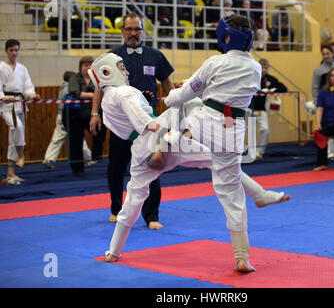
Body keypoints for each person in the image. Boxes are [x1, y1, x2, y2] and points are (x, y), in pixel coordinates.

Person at [87, 52, 290, 271]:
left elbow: (130, 124)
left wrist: (147, 104)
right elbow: (146, 123)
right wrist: (164, 141)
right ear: (108, 73)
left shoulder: (107, 103)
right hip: (157, 139)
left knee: (135, 194)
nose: (126, 72)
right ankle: (258, 196)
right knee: (193, 112)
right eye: (121, 68)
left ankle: (114, 250)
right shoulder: (124, 93)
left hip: (138, 150)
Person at [164, 15, 291, 272]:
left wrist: (169, 97)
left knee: (181, 108)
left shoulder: (215, 62)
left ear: (225, 37)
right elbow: (222, 84)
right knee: (230, 189)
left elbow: (190, 91)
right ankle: (242, 255)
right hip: (233, 132)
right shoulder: (256, 67)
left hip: (204, 123)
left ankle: (165, 143)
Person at [90, 13, 174, 229]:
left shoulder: (155, 55)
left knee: (152, 167)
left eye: (137, 29)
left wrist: (176, 107)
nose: (133, 33)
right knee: (116, 166)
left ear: (142, 31)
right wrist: (95, 113)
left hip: (148, 120)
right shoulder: (112, 57)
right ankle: (116, 209)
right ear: (122, 31)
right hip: (120, 123)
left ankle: (151, 216)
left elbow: (167, 84)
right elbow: (99, 88)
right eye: (129, 29)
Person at [0, 39, 39, 185]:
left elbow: (27, 86)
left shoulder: (22, 68)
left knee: (13, 138)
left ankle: (11, 174)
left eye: (16, 50)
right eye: (11, 50)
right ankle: (21, 155)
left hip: (20, 103)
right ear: (6, 51)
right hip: (6, 104)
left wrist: (32, 94)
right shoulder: (1, 67)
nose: (14, 53)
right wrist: (3, 97)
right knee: (17, 127)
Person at [63, 56, 106, 176]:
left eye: (90, 65)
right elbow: (76, 93)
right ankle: (78, 168)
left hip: (93, 112)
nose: (88, 68)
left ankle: (96, 155)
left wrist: (89, 95)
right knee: (75, 141)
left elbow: (102, 92)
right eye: (85, 65)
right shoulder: (74, 78)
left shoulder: (98, 79)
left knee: (100, 131)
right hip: (75, 114)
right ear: (80, 67)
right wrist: (94, 95)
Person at [42, 71, 92, 169]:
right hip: (69, 117)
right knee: (78, 139)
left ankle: (48, 158)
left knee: (56, 139)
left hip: (61, 116)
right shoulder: (70, 89)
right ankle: (88, 158)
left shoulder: (63, 88)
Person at [247, 58, 287, 160]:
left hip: (262, 110)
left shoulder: (270, 79)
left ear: (268, 68)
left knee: (266, 130)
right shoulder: (252, 77)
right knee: (251, 131)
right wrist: (259, 91)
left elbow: (283, 88)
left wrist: (272, 90)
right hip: (250, 109)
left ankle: (259, 153)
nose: (264, 70)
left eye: (265, 67)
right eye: (261, 67)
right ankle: (251, 153)